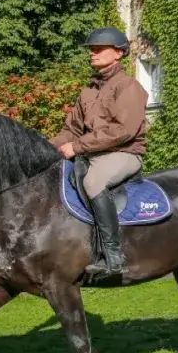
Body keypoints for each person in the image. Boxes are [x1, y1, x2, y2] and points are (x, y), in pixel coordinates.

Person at [50, 27, 150, 278]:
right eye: (90, 50)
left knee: (93, 181)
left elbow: (123, 131)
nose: (92, 54)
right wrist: (41, 148)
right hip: (94, 154)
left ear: (117, 53)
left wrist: (78, 147)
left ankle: (113, 257)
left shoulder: (129, 87)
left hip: (125, 153)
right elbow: (71, 129)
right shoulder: (88, 91)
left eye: (98, 49)